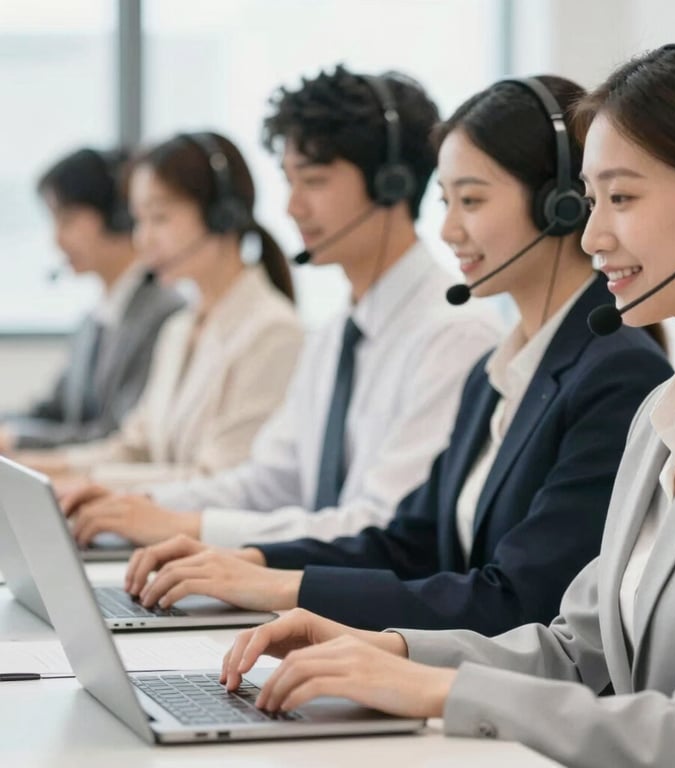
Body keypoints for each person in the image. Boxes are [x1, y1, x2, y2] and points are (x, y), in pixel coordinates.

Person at [214, 38, 675, 767]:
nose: (594, 235)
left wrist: (440, 694)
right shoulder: (665, 416)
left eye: (623, 198)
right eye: (592, 200)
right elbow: (578, 650)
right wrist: (390, 650)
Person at [122, 76, 671, 635]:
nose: (449, 229)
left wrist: (284, 587)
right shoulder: (499, 376)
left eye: (472, 200)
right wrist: (253, 562)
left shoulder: (615, 374)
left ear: (557, 205)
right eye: (446, 202)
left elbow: (520, 600)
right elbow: (411, 540)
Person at [58, 67, 502, 548]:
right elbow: (270, 482)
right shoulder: (335, 334)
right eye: (289, 182)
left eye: (313, 180)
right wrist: (138, 506)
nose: (291, 207)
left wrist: (190, 527)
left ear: (390, 183)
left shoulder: (453, 335)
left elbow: (381, 527)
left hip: (360, 609)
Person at [19, 132, 302, 503]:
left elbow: (221, 477)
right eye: (139, 220)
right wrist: (36, 468)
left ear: (222, 216)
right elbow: (134, 446)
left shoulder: (273, 331)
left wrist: (95, 487)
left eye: (160, 217)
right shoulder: (179, 328)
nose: (143, 239)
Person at [0, 147, 184, 451]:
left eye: (67, 220)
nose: (57, 240)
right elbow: (55, 411)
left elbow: (117, 436)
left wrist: (18, 439)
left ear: (118, 217)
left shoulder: (165, 314)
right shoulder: (96, 318)